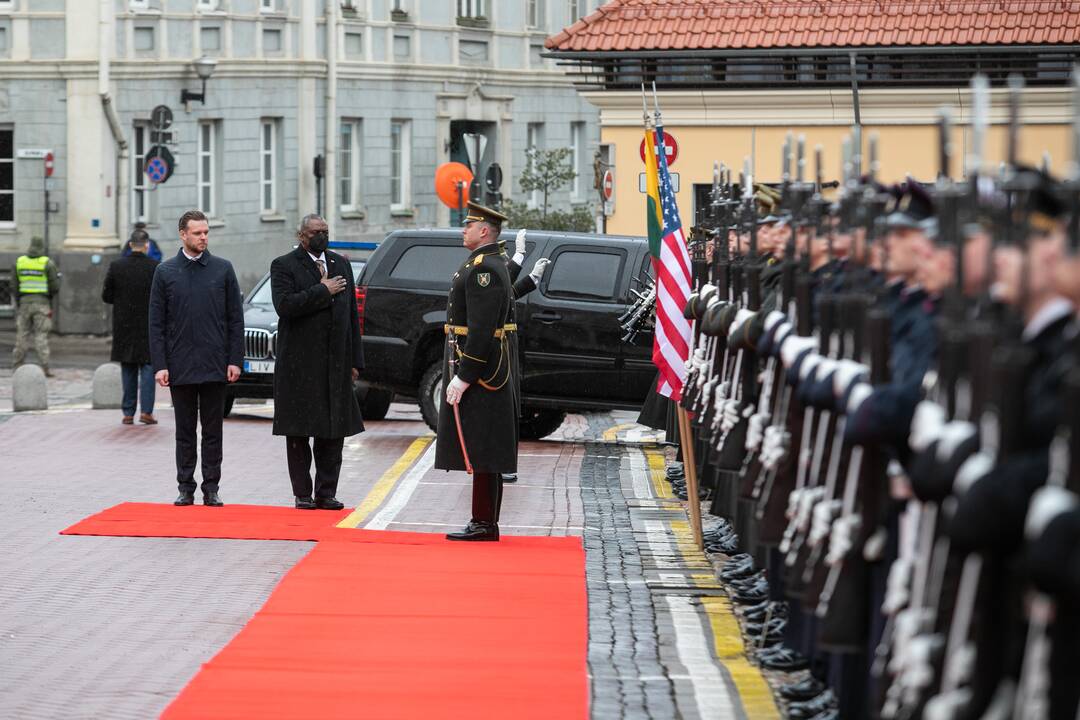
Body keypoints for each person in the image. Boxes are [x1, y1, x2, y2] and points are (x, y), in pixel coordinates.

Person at [148, 210, 244, 507]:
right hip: (180, 365)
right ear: (183, 235)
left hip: (215, 363)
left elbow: (234, 319)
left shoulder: (222, 269)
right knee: (185, 431)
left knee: (213, 431)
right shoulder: (165, 272)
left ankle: (211, 487)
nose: (203, 238)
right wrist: (161, 365)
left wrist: (235, 359)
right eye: (197, 233)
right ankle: (185, 486)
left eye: (206, 233)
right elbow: (156, 323)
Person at [270, 214, 365, 510]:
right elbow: (284, 306)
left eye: (325, 231)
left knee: (332, 431)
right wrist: (322, 291)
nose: (321, 236)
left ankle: (327, 492)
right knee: (299, 431)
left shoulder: (340, 263)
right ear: (302, 236)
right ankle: (302, 493)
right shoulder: (284, 265)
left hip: (334, 363)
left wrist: (354, 360)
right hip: (299, 364)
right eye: (315, 232)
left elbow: (351, 316)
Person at [437, 201, 518, 541]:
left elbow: (482, 329)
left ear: (484, 231)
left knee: (484, 445)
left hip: (485, 371)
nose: (463, 230)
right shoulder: (484, 263)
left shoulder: (484, 269)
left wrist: (465, 375)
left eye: (468, 225)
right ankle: (484, 520)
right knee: (486, 444)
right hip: (485, 366)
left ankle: (483, 522)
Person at [102, 229, 160, 425]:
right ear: (146, 245)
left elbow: (106, 296)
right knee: (148, 368)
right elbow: (161, 298)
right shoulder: (155, 267)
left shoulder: (117, 266)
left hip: (124, 325)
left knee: (127, 368)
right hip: (147, 325)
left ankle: (128, 413)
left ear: (129, 245)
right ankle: (146, 412)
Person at [11, 236, 60, 376]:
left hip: (24, 304)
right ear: (42, 247)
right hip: (42, 304)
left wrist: (20, 300)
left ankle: (17, 366)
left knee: (22, 335)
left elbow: (14, 286)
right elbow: (55, 286)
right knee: (41, 336)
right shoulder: (47, 263)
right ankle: (44, 367)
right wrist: (48, 298)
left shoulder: (19, 262)